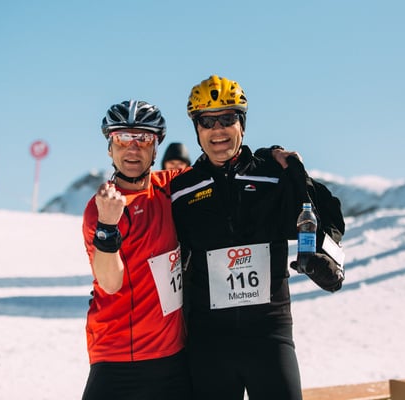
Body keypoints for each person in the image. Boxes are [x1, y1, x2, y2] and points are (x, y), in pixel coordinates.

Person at [170, 75, 346, 400]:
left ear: (242, 123)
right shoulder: (181, 191)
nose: (218, 129)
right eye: (207, 121)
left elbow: (324, 213)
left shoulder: (274, 174)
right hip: (209, 340)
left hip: (269, 334)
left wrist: (329, 262)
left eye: (228, 118)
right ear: (197, 129)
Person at [81, 100, 192, 399]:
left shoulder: (171, 186)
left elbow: (220, 168)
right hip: (117, 358)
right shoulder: (101, 208)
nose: (132, 147)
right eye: (122, 138)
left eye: (143, 138)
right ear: (110, 147)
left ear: (156, 149)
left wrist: (268, 156)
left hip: (172, 357)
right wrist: (107, 225)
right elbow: (110, 283)